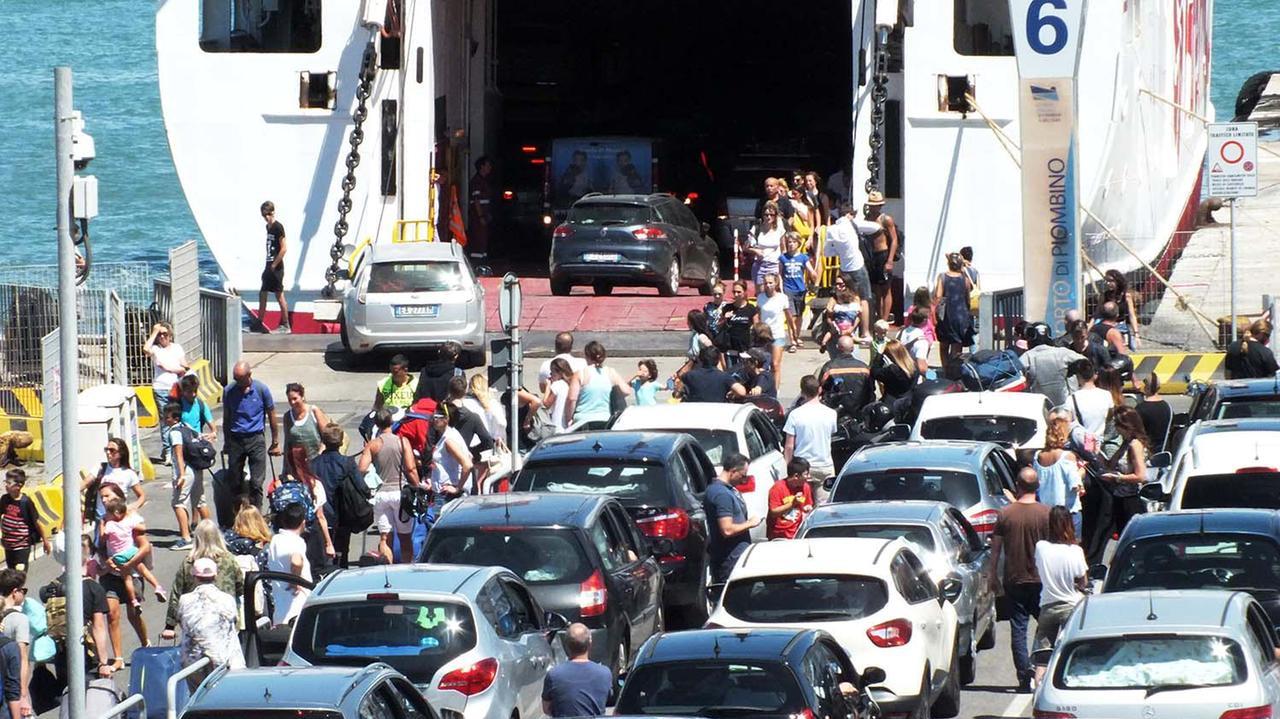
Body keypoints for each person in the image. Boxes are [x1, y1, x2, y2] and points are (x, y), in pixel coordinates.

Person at [988, 468, 1050, 693]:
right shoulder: (1046, 513)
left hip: (1014, 578)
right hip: (1042, 580)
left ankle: (1024, 676)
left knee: (1019, 627)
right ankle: (1042, 667)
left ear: (1017, 485)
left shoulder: (1005, 514)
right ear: (1038, 486)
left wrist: (992, 575)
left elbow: (995, 549)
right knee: (1047, 626)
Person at [45, 535, 116, 685]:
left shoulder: (50, 588)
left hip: (62, 656)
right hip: (86, 656)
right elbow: (98, 627)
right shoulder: (92, 588)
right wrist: (103, 663)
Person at [161, 520, 243, 642]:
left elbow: (176, 593)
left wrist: (170, 626)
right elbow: (240, 586)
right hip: (225, 619)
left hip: (195, 621)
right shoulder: (229, 559)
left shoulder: (189, 562)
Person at [358, 408, 422, 564]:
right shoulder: (402, 441)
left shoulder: (373, 445)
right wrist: (418, 486)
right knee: (405, 537)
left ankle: (387, 568)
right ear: (392, 422)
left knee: (385, 537)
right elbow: (410, 468)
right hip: (400, 493)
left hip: (381, 494)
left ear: (377, 424)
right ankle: (405, 570)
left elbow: (361, 468)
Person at [1032, 507, 1088, 684]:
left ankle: (1037, 688)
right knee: (1069, 653)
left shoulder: (1041, 547)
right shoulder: (1075, 551)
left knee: (1042, 656)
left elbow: (1037, 569)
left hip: (1048, 605)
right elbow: (1083, 581)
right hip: (1071, 606)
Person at [174, 557, 245, 689]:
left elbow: (182, 622)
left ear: (194, 577)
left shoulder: (185, 600)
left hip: (193, 660)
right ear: (215, 576)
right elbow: (234, 623)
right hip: (224, 658)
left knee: (197, 696)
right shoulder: (227, 599)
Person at [223, 361, 279, 510]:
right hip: (236, 439)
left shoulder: (261, 390)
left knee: (256, 482)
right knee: (235, 481)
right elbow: (227, 417)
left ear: (249, 375)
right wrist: (227, 441)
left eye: (239, 378)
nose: (237, 382)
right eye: (235, 378)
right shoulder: (229, 391)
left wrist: (275, 440)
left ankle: (257, 514)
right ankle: (237, 516)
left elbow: (271, 413)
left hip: (256, 438)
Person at [272, 448, 339, 569]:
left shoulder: (279, 483)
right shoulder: (313, 483)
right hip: (310, 536)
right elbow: (320, 517)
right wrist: (329, 543)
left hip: (285, 535)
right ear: (306, 460)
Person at [100, 496, 166, 610]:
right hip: (131, 552)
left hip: (119, 556)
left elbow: (102, 537)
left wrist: (102, 524)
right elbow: (142, 528)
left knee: (127, 579)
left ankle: (134, 600)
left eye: (108, 513)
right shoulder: (128, 522)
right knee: (144, 571)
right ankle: (157, 586)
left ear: (114, 514)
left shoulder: (110, 525)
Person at [703, 453, 760, 582]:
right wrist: (750, 523)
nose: (743, 480)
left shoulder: (725, 490)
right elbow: (727, 529)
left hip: (736, 559)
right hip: (730, 561)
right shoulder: (721, 494)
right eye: (743, 476)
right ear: (733, 471)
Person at [783, 376, 839, 502]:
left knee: (801, 504)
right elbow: (831, 434)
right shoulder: (831, 414)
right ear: (819, 390)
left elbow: (789, 446)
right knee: (824, 506)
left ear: (802, 392)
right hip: (824, 465)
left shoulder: (795, 415)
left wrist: (788, 468)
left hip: (802, 467)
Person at [310, 423, 357, 568]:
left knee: (323, 553)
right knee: (342, 552)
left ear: (323, 442)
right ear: (342, 442)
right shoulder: (347, 463)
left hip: (321, 515)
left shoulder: (313, 464)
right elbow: (360, 486)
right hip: (342, 515)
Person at [541, 623, 612, 719]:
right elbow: (607, 699)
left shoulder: (554, 675)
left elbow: (546, 708)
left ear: (566, 645)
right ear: (590, 643)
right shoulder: (605, 673)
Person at [1101, 406, 1148, 537]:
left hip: (1131, 501)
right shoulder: (1125, 443)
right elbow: (1110, 464)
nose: (1115, 428)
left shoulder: (1134, 445)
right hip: (1120, 498)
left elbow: (1141, 476)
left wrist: (1118, 478)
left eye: (1117, 424)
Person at [161, 404, 203, 549]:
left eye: (167, 417)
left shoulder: (174, 433)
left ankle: (186, 539)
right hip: (197, 468)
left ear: (175, 419)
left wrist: (181, 476)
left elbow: (178, 454)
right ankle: (210, 534)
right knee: (199, 501)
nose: (164, 420)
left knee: (178, 503)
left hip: (185, 470)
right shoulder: (187, 426)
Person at [1035, 415, 1085, 537]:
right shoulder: (1067, 456)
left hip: (1046, 511)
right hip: (1067, 511)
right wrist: (1081, 471)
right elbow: (1075, 485)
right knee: (1072, 545)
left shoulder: (1038, 456)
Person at [565, 341, 631, 426]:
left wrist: (569, 419)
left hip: (582, 420)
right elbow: (626, 391)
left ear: (586, 356)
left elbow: (571, 399)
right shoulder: (610, 372)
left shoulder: (581, 374)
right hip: (604, 419)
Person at [266, 503, 311, 626]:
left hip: (280, 607)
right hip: (296, 607)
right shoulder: (296, 542)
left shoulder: (276, 540)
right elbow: (296, 561)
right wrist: (295, 581)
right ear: (303, 522)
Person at [1021, 328, 1086, 406]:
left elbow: (1016, 370)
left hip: (1039, 408)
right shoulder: (1062, 352)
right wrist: (1071, 371)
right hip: (1065, 408)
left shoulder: (1028, 356)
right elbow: (1085, 362)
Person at [933, 253, 974, 375]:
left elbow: (938, 297)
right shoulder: (965, 279)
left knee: (944, 345)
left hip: (947, 315)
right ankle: (954, 372)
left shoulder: (942, 277)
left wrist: (936, 313)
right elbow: (967, 298)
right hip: (961, 315)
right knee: (957, 347)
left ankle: (946, 370)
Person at [143, 322, 188, 431]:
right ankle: (168, 447)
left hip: (175, 388)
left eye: (165, 334)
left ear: (170, 335)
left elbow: (185, 367)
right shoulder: (155, 349)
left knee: (177, 419)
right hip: (160, 389)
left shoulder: (177, 348)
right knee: (166, 421)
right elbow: (145, 349)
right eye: (159, 334)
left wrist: (170, 369)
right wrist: (154, 332)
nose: (162, 336)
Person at [823, 204, 873, 301]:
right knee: (864, 298)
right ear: (848, 215)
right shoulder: (852, 224)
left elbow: (827, 252)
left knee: (847, 297)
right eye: (853, 215)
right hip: (858, 266)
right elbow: (876, 227)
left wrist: (840, 251)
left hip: (844, 269)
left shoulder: (831, 229)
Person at [282, 382, 331, 479]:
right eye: (289, 400)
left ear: (302, 397)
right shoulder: (287, 417)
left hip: (317, 462)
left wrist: (319, 456)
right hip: (298, 466)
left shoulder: (314, 411)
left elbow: (327, 438)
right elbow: (287, 444)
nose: (292, 402)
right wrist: (286, 468)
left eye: (295, 399)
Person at [817, 336, 873, 420]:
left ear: (837, 347)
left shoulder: (829, 367)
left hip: (835, 414)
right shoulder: (864, 368)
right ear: (853, 349)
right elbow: (871, 391)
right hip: (859, 414)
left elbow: (820, 389)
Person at [864, 191, 900, 323]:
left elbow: (894, 240)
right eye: (872, 205)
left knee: (886, 288)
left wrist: (890, 260)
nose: (874, 208)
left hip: (883, 254)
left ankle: (884, 319)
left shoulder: (886, 219)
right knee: (876, 289)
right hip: (871, 256)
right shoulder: (867, 219)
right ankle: (878, 316)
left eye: (876, 205)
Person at [0, 471, 47, 573]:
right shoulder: (4, 499)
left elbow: (37, 523)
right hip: (8, 546)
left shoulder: (26, 502)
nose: (5, 485)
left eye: (8, 483)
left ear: (18, 486)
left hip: (22, 546)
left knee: (19, 575)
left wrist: (45, 541)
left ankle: (19, 589)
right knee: (11, 574)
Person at [0, 570, 31, 718]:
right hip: (13, 689)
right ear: (14, 592)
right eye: (23, 590)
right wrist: (23, 696)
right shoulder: (19, 619)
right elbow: (22, 659)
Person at [256, 200, 290, 333]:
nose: (267, 217)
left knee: (279, 295)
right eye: (264, 215)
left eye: (268, 214)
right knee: (262, 293)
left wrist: (275, 264)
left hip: (276, 267)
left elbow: (284, 248)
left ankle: (286, 324)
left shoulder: (278, 227)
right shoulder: (268, 227)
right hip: (268, 264)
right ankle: (259, 322)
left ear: (273, 212)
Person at [779, 233, 816, 351]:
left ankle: (797, 335)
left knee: (799, 315)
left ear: (798, 243)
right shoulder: (783, 258)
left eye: (793, 242)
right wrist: (780, 288)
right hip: (788, 289)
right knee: (791, 316)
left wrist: (814, 276)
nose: (791, 244)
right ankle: (792, 341)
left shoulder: (803, 257)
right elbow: (779, 274)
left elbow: (810, 270)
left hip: (800, 289)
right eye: (789, 242)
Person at [766, 458, 815, 540]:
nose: (808, 477)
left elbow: (807, 504)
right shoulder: (777, 488)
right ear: (796, 476)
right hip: (778, 535)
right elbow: (774, 512)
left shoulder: (805, 487)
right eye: (806, 474)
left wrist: (807, 508)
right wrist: (792, 503)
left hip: (796, 533)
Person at [757, 273, 794, 376]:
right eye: (766, 283)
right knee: (763, 365)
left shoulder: (782, 298)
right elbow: (758, 316)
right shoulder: (760, 297)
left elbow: (788, 316)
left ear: (776, 283)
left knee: (775, 364)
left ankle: (776, 391)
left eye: (770, 283)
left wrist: (793, 333)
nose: (768, 285)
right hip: (764, 335)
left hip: (778, 335)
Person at [747, 202, 786, 295]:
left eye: (771, 215)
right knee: (761, 295)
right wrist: (755, 250)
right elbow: (746, 247)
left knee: (775, 294)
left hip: (774, 264)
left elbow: (783, 248)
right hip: (760, 265)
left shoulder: (779, 228)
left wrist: (783, 264)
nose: (768, 217)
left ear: (776, 216)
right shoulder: (756, 228)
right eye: (766, 214)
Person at [1067, 360, 1112, 437]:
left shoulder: (1071, 399)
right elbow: (1109, 418)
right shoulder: (1107, 395)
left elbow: (1068, 423)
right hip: (1100, 441)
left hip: (1082, 442)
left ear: (1078, 376)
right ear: (1094, 375)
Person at [819, 286, 870, 354]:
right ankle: (860, 340)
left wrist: (831, 312)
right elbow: (859, 312)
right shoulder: (853, 307)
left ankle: (824, 342)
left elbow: (830, 312)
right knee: (852, 336)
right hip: (847, 325)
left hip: (838, 324)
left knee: (830, 333)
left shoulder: (838, 307)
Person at [718, 281, 759, 360]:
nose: (736, 294)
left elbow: (756, 328)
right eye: (734, 292)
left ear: (745, 292)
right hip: (730, 348)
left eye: (739, 292)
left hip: (746, 348)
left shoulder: (751, 309)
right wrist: (724, 318)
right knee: (731, 371)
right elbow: (718, 326)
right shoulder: (727, 308)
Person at [467, 156, 495, 269]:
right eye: (488, 165)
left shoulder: (483, 181)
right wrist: (481, 216)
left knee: (483, 240)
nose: (490, 168)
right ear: (482, 167)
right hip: (477, 218)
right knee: (478, 240)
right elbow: (477, 200)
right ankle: (476, 265)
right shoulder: (477, 182)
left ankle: (482, 263)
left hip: (484, 216)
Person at [1101, 269, 1139, 350]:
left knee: (1133, 347)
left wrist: (1136, 333)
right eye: (1106, 281)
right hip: (1106, 326)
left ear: (1117, 281)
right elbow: (1096, 314)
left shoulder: (1126, 296)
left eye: (1111, 281)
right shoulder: (1104, 296)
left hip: (1121, 325)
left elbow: (1132, 315)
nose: (1108, 283)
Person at [1135, 373, 1173, 453]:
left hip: (1147, 451)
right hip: (1163, 450)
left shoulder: (1140, 408)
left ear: (1147, 388)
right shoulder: (1168, 407)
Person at [541, 358, 574, 432]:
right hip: (567, 427)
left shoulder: (557, 385)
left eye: (552, 372)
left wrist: (548, 387)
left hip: (557, 426)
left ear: (559, 372)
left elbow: (545, 404)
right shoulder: (569, 385)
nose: (550, 374)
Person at [898, 307, 932, 375]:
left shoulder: (900, 333)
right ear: (925, 321)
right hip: (912, 378)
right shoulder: (922, 342)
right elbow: (922, 368)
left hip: (899, 373)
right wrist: (933, 376)